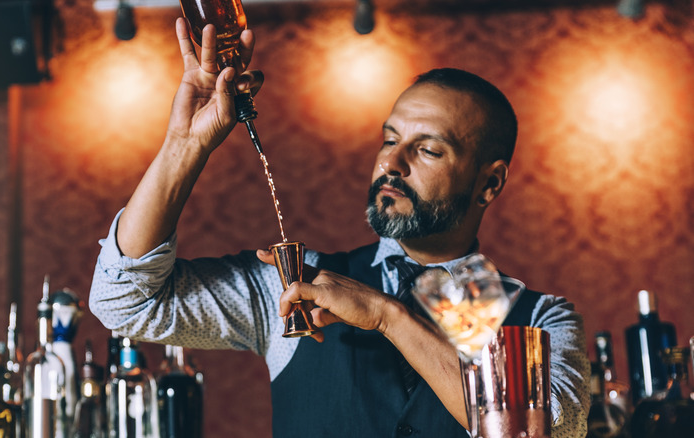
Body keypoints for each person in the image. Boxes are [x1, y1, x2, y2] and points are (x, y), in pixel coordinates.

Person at [89, 17, 589, 438]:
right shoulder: (294, 287)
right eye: (389, 139)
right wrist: (185, 144)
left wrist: (387, 316)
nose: (392, 162)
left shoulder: (539, 319)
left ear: (489, 183)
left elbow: (544, 430)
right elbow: (124, 302)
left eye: (429, 149)